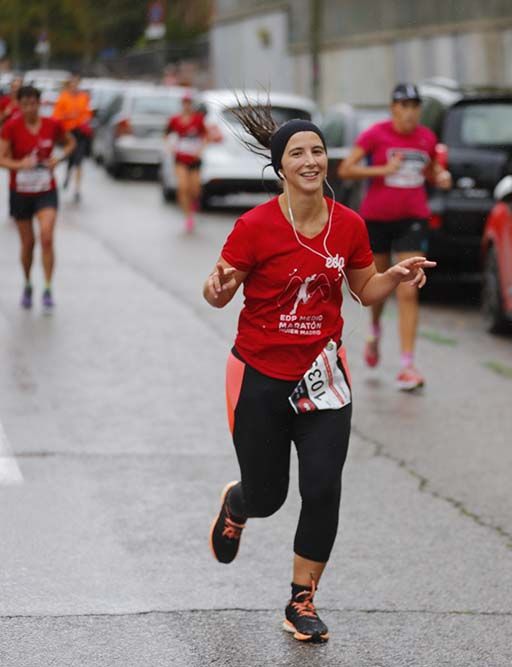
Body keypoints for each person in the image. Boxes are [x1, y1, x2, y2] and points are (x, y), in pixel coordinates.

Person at [202, 99, 435, 643]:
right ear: (280, 166)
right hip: (258, 375)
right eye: (298, 153)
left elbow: (363, 289)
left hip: (323, 378)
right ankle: (238, 502)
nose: (311, 160)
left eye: (318, 151)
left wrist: (393, 275)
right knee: (269, 496)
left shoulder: (349, 225)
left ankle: (301, 599)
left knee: (323, 486)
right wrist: (215, 289)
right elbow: (220, 290)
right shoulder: (255, 227)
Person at [336, 82, 452, 391]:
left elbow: (431, 170)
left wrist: (440, 177)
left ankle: (407, 365)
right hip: (376, 220)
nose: (411, 112)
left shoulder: (426, 138)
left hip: (413, 219)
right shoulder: (375, 134)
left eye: (415, 106)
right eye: (405, 106)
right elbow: (346, 170)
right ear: (393, 108)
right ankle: (374, 330)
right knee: (376, 289)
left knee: (409, 288)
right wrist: (382, 170)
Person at [0, 85, 75, 311]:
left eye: (33, 103)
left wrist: (58, 158)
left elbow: (71, 143)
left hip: (45, 191)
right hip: (21, 192)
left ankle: (48, 287)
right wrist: (19, 164)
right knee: (28, 244)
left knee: (46, 237)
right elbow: (1, 158)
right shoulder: (11, 127)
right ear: (19, 104)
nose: (29, 108)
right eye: (25, 104)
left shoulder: (52, 125)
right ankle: (27, 283)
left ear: (39, 103)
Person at [165, 93, 207, 232]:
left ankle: (193, 202)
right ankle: (188, 216)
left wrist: (201, 149)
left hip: (194, 159)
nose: (187, 105)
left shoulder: (198, 120)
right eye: (185, 103)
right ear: (182, 104)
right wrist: (170, 147)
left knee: (195, 188)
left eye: (189, 103)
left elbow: (206, 136)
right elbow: (166, 135)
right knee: (183, 187)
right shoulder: (174, 120)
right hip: (180, 159)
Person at [51, 73, 92, 204]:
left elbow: (87, 113)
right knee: (69, 158)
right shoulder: (63, 97)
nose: (74, 86)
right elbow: (56, 116)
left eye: (77, 83)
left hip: (80, 133)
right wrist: (68, 116)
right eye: (72, 83)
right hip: (68, 133)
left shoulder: (84, 97)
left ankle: (77, 189)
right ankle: (67, 176)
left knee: (79, 161)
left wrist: (84, 119)